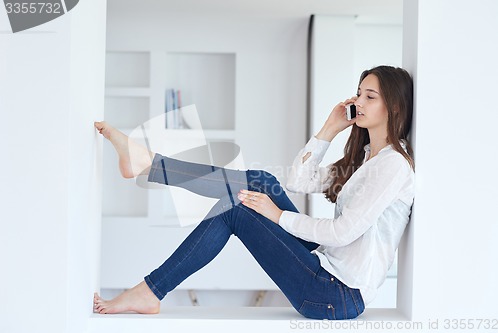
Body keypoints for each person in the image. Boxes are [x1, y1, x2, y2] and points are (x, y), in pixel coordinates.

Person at [93, 65, 415, 320]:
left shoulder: (393, 167)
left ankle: (151, 288)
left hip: (336, 294)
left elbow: (343, 232)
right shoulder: (364, 158)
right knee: (260, 180)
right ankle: (148, 165)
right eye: (358, 94)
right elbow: (298, 181)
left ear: (394, 106)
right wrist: (328, 130)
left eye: (370, 97)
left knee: (235, 206)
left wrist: (277, 216)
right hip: (327, 269)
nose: (358, 102)